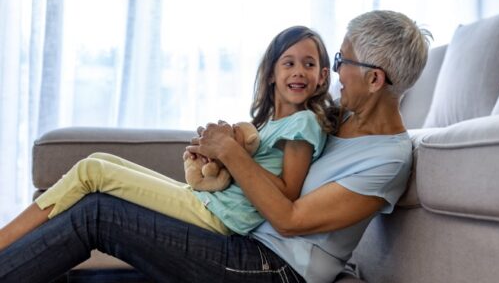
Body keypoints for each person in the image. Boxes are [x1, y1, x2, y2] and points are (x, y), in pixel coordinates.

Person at [0, 10, 430, 283]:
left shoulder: (387, 159)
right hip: (245, 243)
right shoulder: (341, 118)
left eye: (342, 62)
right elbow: (278, 135)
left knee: (98, 214)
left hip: (272, 268)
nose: (334, 74)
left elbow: (290, 218)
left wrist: (231, 152)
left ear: (375, 79)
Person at [0, 25, 337, 245]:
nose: (298, 72)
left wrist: (234, 158)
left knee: (93, 172)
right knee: (99, 160)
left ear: (322, 77)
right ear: (271, 75)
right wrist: (218, 159)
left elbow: (288, 194)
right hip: (208, 204)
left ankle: (5, 241)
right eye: (288, 63)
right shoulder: (265, 127)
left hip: (216, 217)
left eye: (308, 65)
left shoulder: (303, 123)